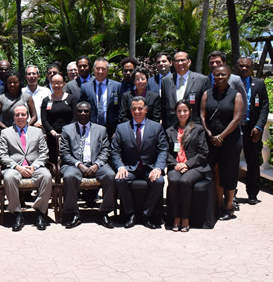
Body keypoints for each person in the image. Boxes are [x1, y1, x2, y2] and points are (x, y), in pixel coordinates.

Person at [112, 96, 168, 229]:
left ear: (146, 110)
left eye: (140, 108)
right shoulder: (121, 128)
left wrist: (158, 168)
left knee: (159, 182)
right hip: (130, 168)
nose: (137, 111)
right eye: (134, 109)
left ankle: (146, 214)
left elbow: (163, 150)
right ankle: (131, 214)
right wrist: (120, 167)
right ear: (130, 110)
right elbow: (115, 151)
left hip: (149, 167)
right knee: (120, 180)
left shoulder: (156, 127)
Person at [59, 102, 116, 229]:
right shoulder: (67, 130)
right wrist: (79, 164)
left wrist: (97, 164)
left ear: (91, 113)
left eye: (86, 111)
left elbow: (106, 150)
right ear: (76, 113)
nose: (83, 113)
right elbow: (64, 153)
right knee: (69, 177)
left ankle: (104, 212)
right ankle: (74, 213)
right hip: (74, 165)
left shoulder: (101, 130)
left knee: (111, 175)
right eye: (80, 111)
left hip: (96, 164)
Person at [0, 104, 52, 231]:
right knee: (9, 177)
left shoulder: (38, 132)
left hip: (35, 167)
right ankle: (17, 214)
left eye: (23, 114)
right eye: (17, 115)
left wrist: (34, 167)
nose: (20, 117)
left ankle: (39, 212)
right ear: (13, 117)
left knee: (47, 175)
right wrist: (17, 167)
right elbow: (3, 155)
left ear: (28, 116)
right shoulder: (6, 133)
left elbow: (44, 153)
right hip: (15, 167)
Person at [200, 65, 243, 221]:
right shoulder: (207, 94)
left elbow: (236, 118)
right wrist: (210, 133)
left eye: (223, 74)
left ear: (229, 75)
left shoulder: (236, 95)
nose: (219, 77)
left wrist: (221, 136)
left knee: (230, 173)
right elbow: (202, 115)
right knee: (215, 171)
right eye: (217, 75)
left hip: (231, 140)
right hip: (211, 140)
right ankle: (218, 204)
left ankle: (229, 206)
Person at [165, 100, 210, 232]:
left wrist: (187, 164)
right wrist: (176, 164)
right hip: (176, 166)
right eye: (179, 111)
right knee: (173, 180)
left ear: (190, 111)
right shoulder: (170, 131)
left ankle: (185, 218)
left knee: (185, 181)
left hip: (195, 167)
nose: (182, 113)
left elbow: (203, 153)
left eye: (185, 110)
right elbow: (165, 152)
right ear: (175, 112)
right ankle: (176, 217)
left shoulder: (198, 130)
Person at [236, 57, 269, 204]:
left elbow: (264, 106)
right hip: (234, 128)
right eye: (241, 66)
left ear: (251, 68)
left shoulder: (259, 84)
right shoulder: (231, 83)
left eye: (247, 66)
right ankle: (232, 193)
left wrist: (259, 127)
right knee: (232, 161)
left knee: (253, 161)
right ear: (237, 67)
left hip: (252, 129)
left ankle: (252, 193)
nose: (244, 69)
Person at [160, 51, 210, 129]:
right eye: (177, 61)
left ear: (189, 62)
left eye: (183, 60)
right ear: (173, 63)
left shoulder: (201, 80)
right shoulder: (165, 81)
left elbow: (206, 108)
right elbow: (163, 107)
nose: (180, 63)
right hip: (172, 128)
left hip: (194, 128)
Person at [41, 73, 78, 165]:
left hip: (70, 134)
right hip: (52, 135)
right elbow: (44, 119)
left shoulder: (71, 98)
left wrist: (67, 132)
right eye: (53, 83)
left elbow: (75, 117)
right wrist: (53, 132)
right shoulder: (46, 100)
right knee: (54, 159)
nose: (56, 85)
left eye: (59, 83)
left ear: (64, 84)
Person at [80, 58, 122, 137]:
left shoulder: (117, 86)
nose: (100, 71)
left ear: (108, 70)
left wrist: (117, 130)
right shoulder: (85, 87)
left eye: (103, 69)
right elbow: (81, 109)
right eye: (98, 69)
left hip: (112, 130)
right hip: (91, 129)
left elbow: (120, 109)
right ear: (93, 69)